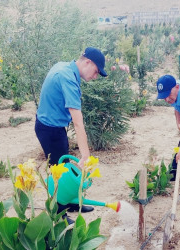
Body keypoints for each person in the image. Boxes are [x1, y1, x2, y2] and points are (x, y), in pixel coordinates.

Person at [35, 47, 107, 223]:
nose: (95, 77)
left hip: (54, 126)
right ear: (87, 62)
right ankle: (58, 214)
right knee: (57, 173)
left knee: (64, 166)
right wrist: (85, 154)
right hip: (49, 129)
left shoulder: (66, 67)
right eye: (96, 72)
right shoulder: (67, 78)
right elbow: (78, 122)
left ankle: (71, 202)